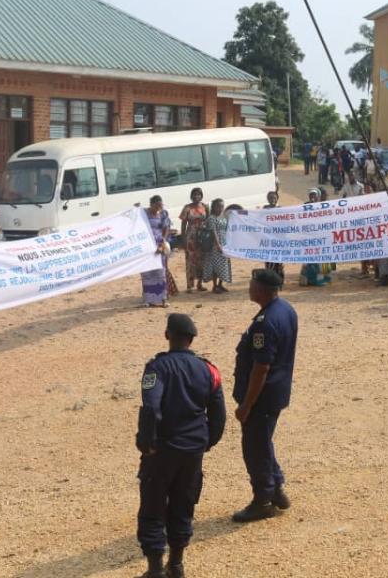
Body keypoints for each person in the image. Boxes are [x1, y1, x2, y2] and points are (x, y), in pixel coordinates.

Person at [136, 314, 226, 578]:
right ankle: (176, 564)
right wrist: (207, 441)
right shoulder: (208, 369)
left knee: (153, 506)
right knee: (183, 505)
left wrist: (147, 444)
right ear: (191, 339)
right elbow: (218, 413)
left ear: (167, 336)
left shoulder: (157, 368)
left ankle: (154, 569)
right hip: (193, 450)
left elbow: (151, 407)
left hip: (162, 450)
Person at [232, 269, 298, 523]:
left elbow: (261, 368)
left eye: (252, 284)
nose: (249, 288)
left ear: (262, 290)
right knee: (263, 441)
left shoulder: (266, 323)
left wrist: (246, 405)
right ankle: (276, 489)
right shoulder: (286, 309)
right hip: (276, 392)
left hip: (262, 397)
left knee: (254, 447)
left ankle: (262, 499)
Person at [142, 195, 171, 308]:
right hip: (147, 247)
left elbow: (166, 229)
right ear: (151, 204)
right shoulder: (144, 213)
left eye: (161, 205)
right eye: (157, 206)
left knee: (160, 274)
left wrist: (161, 244)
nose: (159, 208)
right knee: (147, 274)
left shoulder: (163, 214)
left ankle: (163, 299)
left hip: (159, 247)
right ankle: (148, 300)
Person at [178, 188, 208, 293]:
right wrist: (183, 239)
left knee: (202, 261)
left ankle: (200, 284)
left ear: (201, 196)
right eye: (194, 195)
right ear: (191, 196)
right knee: (190, 261)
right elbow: (183, 224)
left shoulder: (205, 207)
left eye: (198, 194)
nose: (196, 197)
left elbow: (208, 220)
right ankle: (190, 286)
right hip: (191, 237)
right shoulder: (187, 208)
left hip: (203, 238)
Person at [202, 199, 232, 294]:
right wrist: (218, 245)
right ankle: (214, 286)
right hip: (215, 244)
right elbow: (213, 232)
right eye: (217, 206)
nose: (220, 208)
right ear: (213, 207)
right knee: (215, 265)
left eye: (222, 206)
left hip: (224, 243)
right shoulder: (212, 218)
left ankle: (220, 284)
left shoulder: (224, 217)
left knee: (223, 264)